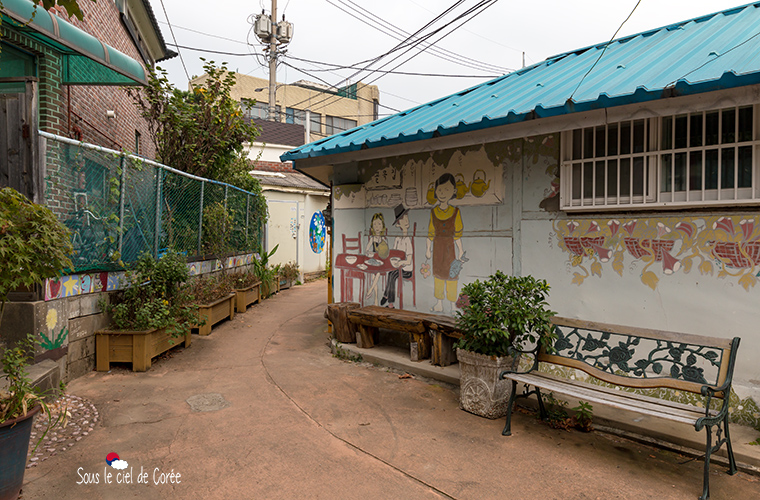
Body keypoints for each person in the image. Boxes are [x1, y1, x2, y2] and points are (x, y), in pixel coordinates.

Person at [425, 173, 464, 313]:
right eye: (440, 190)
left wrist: (460, 251)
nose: (442, 193)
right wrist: (428, 249)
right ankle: (439, 303)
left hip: (450, 248)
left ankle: (453, 305)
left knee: (452, 275)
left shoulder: (455, 212)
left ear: (453, 191)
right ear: (435, 191)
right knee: (438, 275)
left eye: (447, 190)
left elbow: (458, 234)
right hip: (437, 248)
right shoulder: (433, 212)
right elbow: (430, 232)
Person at [381, 204, 413, 308]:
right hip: (397, 268)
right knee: (391, 273)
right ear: (398, 224)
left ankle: (389, 302)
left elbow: (408, 261)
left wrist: (400, 263)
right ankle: (387, 297)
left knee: (392, 275)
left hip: (407, 270)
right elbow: (393, 254)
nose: (406, 220)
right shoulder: (397, 239)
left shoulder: (408, 240)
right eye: (403, 219)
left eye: (406, 217)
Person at [365, 213, 388, 304]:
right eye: (375, 224)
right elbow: (367, 250)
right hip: (374, 262)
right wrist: (370, 253)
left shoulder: (384, 239)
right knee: (375, 274)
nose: (377, 226)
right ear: (372, 226)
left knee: (377, 272)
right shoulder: (372, 239)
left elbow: (386, 252)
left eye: (379, 224)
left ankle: (370, 290)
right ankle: (375, 300)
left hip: (382, 262)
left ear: (382, 226)